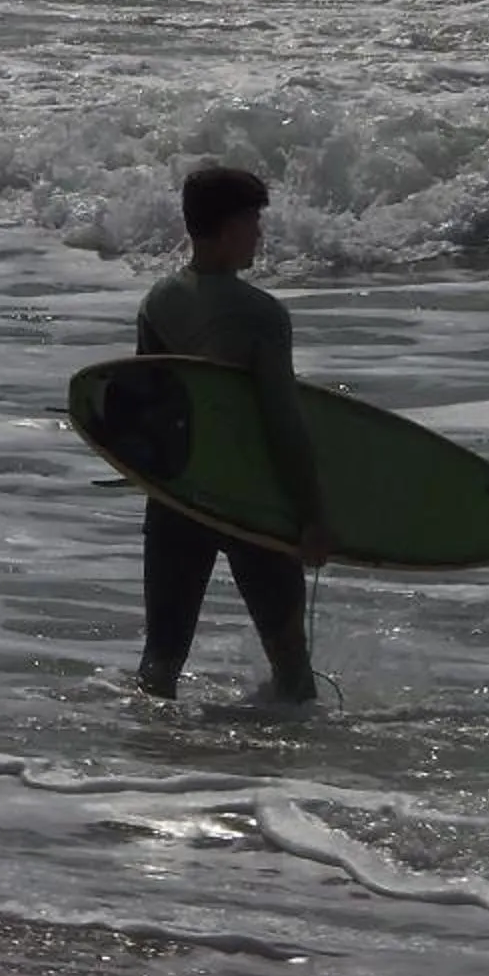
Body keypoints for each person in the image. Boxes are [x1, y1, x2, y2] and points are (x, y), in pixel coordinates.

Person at [131, 164, 330, 703]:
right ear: (225, 228)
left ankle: (142, 764)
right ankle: (304, 766)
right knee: (291, 665)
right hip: (253, 501)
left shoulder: (158, 301)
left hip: (177, 496)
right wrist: (311, 513)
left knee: (161, 660)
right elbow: (281, 420)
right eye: (252, 223)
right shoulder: (261, 315)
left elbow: (146, 406)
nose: (259, 235)